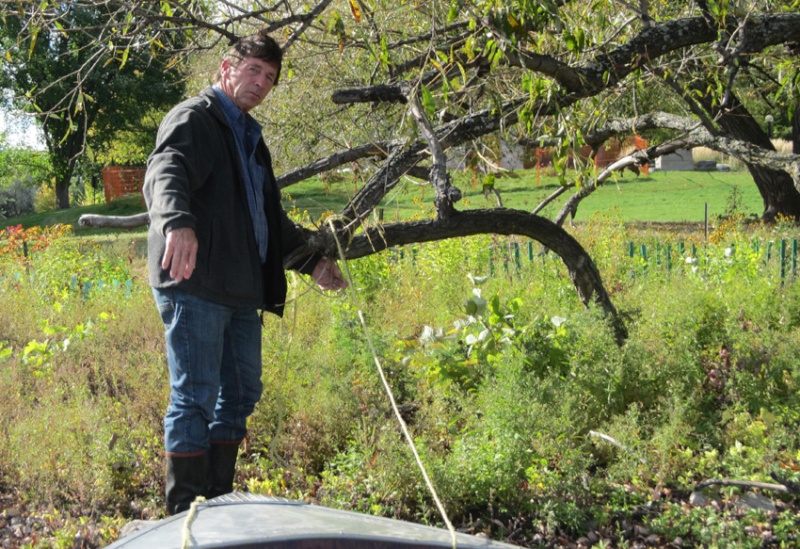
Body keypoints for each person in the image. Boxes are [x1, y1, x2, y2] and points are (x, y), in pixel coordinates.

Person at [143, 30, 347, 515]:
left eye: (270, 77)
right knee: (195, 394)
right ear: (225, 69)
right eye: (253, 69)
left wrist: (312, 262)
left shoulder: (250, 138)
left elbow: (267, 218)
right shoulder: (195, 118)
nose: (260, 82)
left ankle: (217, 504)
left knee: (240, 393)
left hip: (240, 289)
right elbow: (165, 167)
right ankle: (184, 514)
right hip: (194, 281)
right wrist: (178, 223)